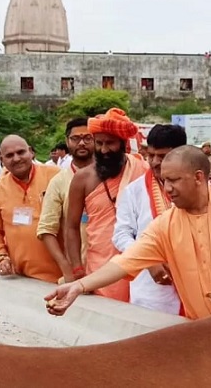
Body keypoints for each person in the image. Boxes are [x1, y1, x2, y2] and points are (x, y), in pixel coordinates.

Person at [46, 146, 211, 319]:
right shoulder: (166, 224)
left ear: (198, 177)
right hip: (207, 330)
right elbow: (125, 262)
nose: (167, 188)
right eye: (164, 181)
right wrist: (80, 286)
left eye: (174, 180)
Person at [65, 108, 148, 302]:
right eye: (99, 143)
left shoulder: (142, 170)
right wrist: (77, 268)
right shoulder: (82, 178)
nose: (103, 150)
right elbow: (70, 226)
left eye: (110, 143)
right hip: (101, 263)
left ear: (123, 143)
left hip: (140, 260)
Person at [113, 124, 187, 314]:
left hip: (191, 280)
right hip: (150, 289)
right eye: (151, 155)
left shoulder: (197, 189)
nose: (154, 162)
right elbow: (121, 235)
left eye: (162, 157)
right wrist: (148, 261)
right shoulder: (134, 191)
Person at [0, 135, 62, 283]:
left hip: (62, 277)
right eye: (9, 155)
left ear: (31, 152)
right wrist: (1, 256)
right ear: (2, 159)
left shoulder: (56, 176)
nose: (16, 158)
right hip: (21, 276)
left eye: (21, 152)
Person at [37, 119, 95, 281]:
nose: (82, 143)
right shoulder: (59, 181)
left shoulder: (110, 177)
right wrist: (66, 267)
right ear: (67, 142)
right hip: (77, 273)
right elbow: (46, 229)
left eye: (87, 138)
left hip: (110, 269)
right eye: (75, 139)